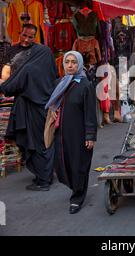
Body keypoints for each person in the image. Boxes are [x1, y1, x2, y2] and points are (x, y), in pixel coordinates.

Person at [0, 24, 57, 190]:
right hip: (42, 105)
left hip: (31, 106)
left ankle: (44, 180)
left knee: (36, 142)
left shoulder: (29, 68)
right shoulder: (44, 58)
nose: (26, 39)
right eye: (24, 35)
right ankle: (43, 176)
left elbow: (11, 85)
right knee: (43, 141)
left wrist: (4, 87)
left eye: (30, 37)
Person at [46, 51, 97, 214]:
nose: (70, 65)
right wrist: (53, 109)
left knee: (79, 166)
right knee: (61, 163)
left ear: (79, 64)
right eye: (67, 62)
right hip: (61, 133)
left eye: (74, 62)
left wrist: (90, 135)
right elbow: (53, 102)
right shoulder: (60, 83)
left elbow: (90, 112)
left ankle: (77, 197)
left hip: (79, 134)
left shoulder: (85, 85)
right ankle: (75, 186)